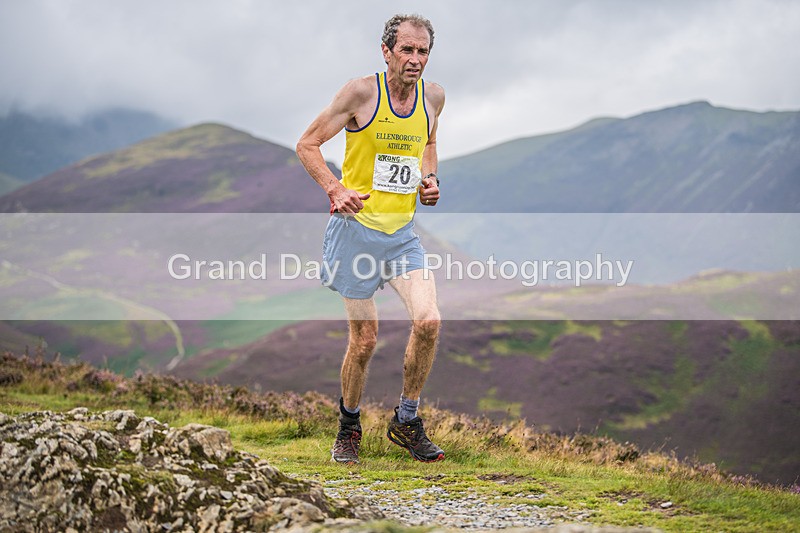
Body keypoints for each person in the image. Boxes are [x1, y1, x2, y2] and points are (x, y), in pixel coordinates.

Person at [296, 13, 445, 464]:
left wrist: (430, 177)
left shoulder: (433, 97)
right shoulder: (361, 93)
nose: (416, 59)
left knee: (429, 322)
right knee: (364, 341)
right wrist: (335, 188)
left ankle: (406, 419)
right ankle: (348, 426)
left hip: (401, 236)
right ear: (386, 51)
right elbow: (307, 144)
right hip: (354, 236)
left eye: (423, 51)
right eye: (407, 50)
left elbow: (429, 142)